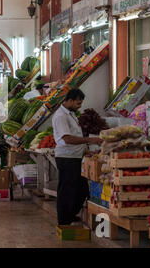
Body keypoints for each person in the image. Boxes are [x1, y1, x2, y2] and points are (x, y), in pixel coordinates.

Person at [52, 88, 103, 225]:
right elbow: (67, 139)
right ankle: (64, 220)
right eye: (78, 103)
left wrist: (86, 151)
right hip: (66, 158)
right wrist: (90, 140)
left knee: (81, 189)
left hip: (75, 157)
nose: (79, 106)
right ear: (70, 100)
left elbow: (75, 136)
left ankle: (70, 214)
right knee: (66, 190)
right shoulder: (61, 116)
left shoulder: (70, 114)